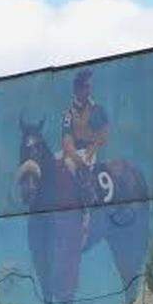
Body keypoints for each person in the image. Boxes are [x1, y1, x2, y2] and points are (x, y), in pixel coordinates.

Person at [60, 68, 110, 207]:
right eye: (85, 87)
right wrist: (76, 157)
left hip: (91, 151)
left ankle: (88, 204)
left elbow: (103, 135)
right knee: (60, 165)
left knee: (86, 174)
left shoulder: (97, 110)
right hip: (74, 153)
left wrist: (90, 152)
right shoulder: (68, 113)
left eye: (89, 86)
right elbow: (66, 140)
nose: (88, 90)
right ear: (77, 89)